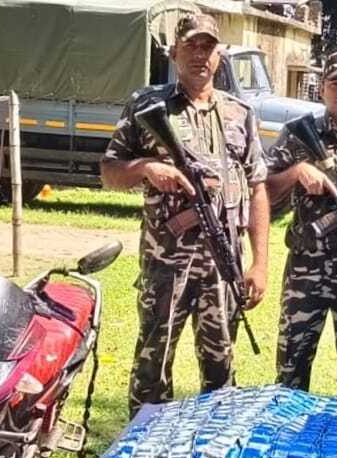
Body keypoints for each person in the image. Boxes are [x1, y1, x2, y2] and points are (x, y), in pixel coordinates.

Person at [99, 14, 270, 417]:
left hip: (222, 264)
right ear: (174, 52)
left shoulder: (239, 113)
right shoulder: (146, 106)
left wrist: (260, 263)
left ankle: (214, 441)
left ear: (219, 55)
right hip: (166, 263)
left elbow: (258, 186)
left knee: (221, 366)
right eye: (191, 46)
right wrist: (146, 168)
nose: (199, 55)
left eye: (208, 47)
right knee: (153, 363)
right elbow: (109, 173)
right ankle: (145, 441)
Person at [266, 51, 337, 395]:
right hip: (307, 274)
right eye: (336, 84)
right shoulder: (297, 135)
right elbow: (264, 192)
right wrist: (297, 172)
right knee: (290, 375)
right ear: (322, 89)